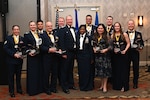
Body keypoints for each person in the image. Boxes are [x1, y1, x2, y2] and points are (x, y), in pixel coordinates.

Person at [58, 15, 77, 94]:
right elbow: (61, 42)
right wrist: (63, 52)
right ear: (66, 21)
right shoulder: (63, 29)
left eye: (71, 20)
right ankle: (64, 86)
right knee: (64, 70)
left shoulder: (73, 29)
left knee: (70, 69)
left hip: (72, 53)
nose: (70, 21)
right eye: (68, 20)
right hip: (66, 53)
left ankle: (71, 84)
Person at [4, 25, 24, 97]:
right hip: (11, 61)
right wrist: (13, 54)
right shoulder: (8, 38)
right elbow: (6, 49)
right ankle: (11, 91)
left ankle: (19, 89)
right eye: (15, 29)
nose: (16, 31)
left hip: (19, 61)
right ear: (12, 30)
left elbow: (24, 48)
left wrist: (23, 54)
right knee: (11, 76)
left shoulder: (22, 38)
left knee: (19, 76)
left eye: (17, 29)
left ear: (19, 30)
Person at [24, 21, 43, 96]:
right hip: (32, 56)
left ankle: (39, 89)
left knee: (39, 72)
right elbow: (24, 46)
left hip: (39, 56)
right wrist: (29, 52)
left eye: (34, 25)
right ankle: (32, 90)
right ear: (29, 26)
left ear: (36, 26)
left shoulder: (39, 34)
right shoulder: (27, 35)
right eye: (31, 25)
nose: (33, 26)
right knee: (32, 73)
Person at [41, 21, 60, 94]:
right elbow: (41, 47)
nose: (50, 27)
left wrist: (59, 49)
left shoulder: (55, 34)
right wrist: (48, 49)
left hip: (55, 57)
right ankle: (46, 88)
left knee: (55, 73)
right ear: (46, 27)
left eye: (51, 26)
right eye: (48, 26)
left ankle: (53, 87)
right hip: (47, 57)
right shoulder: (42, 35)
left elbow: (57, 44)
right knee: (46, 73)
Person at [111, 22, 130, 92]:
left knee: (123, 71)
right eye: (115, 26)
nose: (117, 28)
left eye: (118, 26)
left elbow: (128, 43)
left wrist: (125, 50)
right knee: (116, 70)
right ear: (114, 27)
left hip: (123, 55)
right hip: (115, 56)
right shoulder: (112, 35)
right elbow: (111, 45)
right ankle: (117, 86)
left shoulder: (124, 34)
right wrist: (113, 50)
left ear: (120, 27)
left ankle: (124, 86)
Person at [93, 24, 112, 93]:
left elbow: (111, 46)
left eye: (101, 28)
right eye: (99, 28)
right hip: (98, 57)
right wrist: (93, 49)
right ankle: (101, 85)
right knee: (100, 72)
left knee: (105, 72)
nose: (100, 29)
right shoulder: (95, 36)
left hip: (105, 57)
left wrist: (106, 50)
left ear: (104, 29)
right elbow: (93, 44)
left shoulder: (107, 37)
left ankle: (105, 86)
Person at [126, 20, 144, 89]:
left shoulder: (139, 34)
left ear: (134, 25)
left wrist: (141, 47)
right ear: (128, 25)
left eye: (132, 24)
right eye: (129, 24)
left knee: (136, 69)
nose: (131, 25)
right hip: (127, 53)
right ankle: (126, 82)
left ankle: (135, 83)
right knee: (126, 68)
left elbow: (141, 43)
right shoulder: (124, 34)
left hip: (135, 53)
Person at [76, 25, 94, 91]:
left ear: (85, 30)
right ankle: (82, 85)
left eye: (83, 29)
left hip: (87, 56)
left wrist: (92, 58)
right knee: (81, 71)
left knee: (87, 71)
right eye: (81, 29)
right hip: (80, 56)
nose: (82, 30)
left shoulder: (89, 37)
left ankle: (88, 86)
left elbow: (91, 48)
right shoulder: (77, 37)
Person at [53, 17, 65, 86]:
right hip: (56, 53)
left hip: (63, 53)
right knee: (56, 69)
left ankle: (62, 82)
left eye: (62, 21)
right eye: (59, 21)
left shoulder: (66, 30)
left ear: (64, 22)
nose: (61, 22)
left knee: (63, 69)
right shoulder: (54, 31)